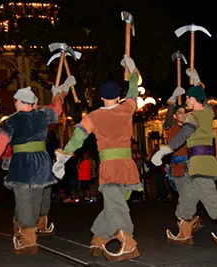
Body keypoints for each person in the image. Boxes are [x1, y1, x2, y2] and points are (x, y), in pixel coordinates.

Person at [52, 56, 141, 262]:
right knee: (114, 204)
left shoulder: (93, 117)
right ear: (118, 96)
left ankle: (128, 242)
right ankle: (99, 239)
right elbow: (134, 91)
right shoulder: (127, 108)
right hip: (128, 166)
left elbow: (77, 139)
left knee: (116, 205)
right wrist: (132, 70)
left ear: (101, 97)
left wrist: (63, 156)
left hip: (110, 167)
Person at [0, 76, 76, 254]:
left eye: (15, 101)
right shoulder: (43, 115)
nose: (14, 104)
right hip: (41, 161)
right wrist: (58, 94)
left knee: (24, 201)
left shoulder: (11, 121)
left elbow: (0, 146)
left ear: (20, 102)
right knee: (36, 199)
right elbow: (58, 108)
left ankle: (28, 240)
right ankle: (30, 229)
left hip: (22, 162)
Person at [151, 70, 217, 246]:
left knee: (209, 194)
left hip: (200, 162)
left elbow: (183, 135)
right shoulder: (208, 111)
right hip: (202, 161)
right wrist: (198, 81)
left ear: (193, 100)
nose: (186, 102)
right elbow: (205, 99)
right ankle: (185, 233)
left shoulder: (192, 117)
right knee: (188, 197)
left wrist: (165, 150)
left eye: (187, 99)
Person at [162, 84, 205, 243]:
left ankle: (187, 227)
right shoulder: (171, 126)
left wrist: (197, 87)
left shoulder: (191, 126)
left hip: (192, 166)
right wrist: (173, 100)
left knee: (190, 196)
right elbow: (168, 117)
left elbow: (199, 111)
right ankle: (190, 223)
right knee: (185, 196)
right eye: (179, 112)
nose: (182, 114)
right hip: (178, 169)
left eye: (184, 112)